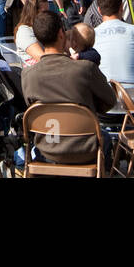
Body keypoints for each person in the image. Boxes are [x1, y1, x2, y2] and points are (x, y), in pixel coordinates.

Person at [20, 8, 116, 164]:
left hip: (46, 149)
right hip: (85, 149)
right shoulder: (85, 68)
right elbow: (110, 100)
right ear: (60, 34)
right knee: (105, 138)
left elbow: (33, 109)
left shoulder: (27, 75)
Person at [15, 0, 52, 64]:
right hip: (35, 69)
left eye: (48, 12)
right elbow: (41, 57)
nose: (47, 15)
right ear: (33, 12)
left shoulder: (43, 27)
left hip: (48, 65)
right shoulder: (24, 31)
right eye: (44, 12)